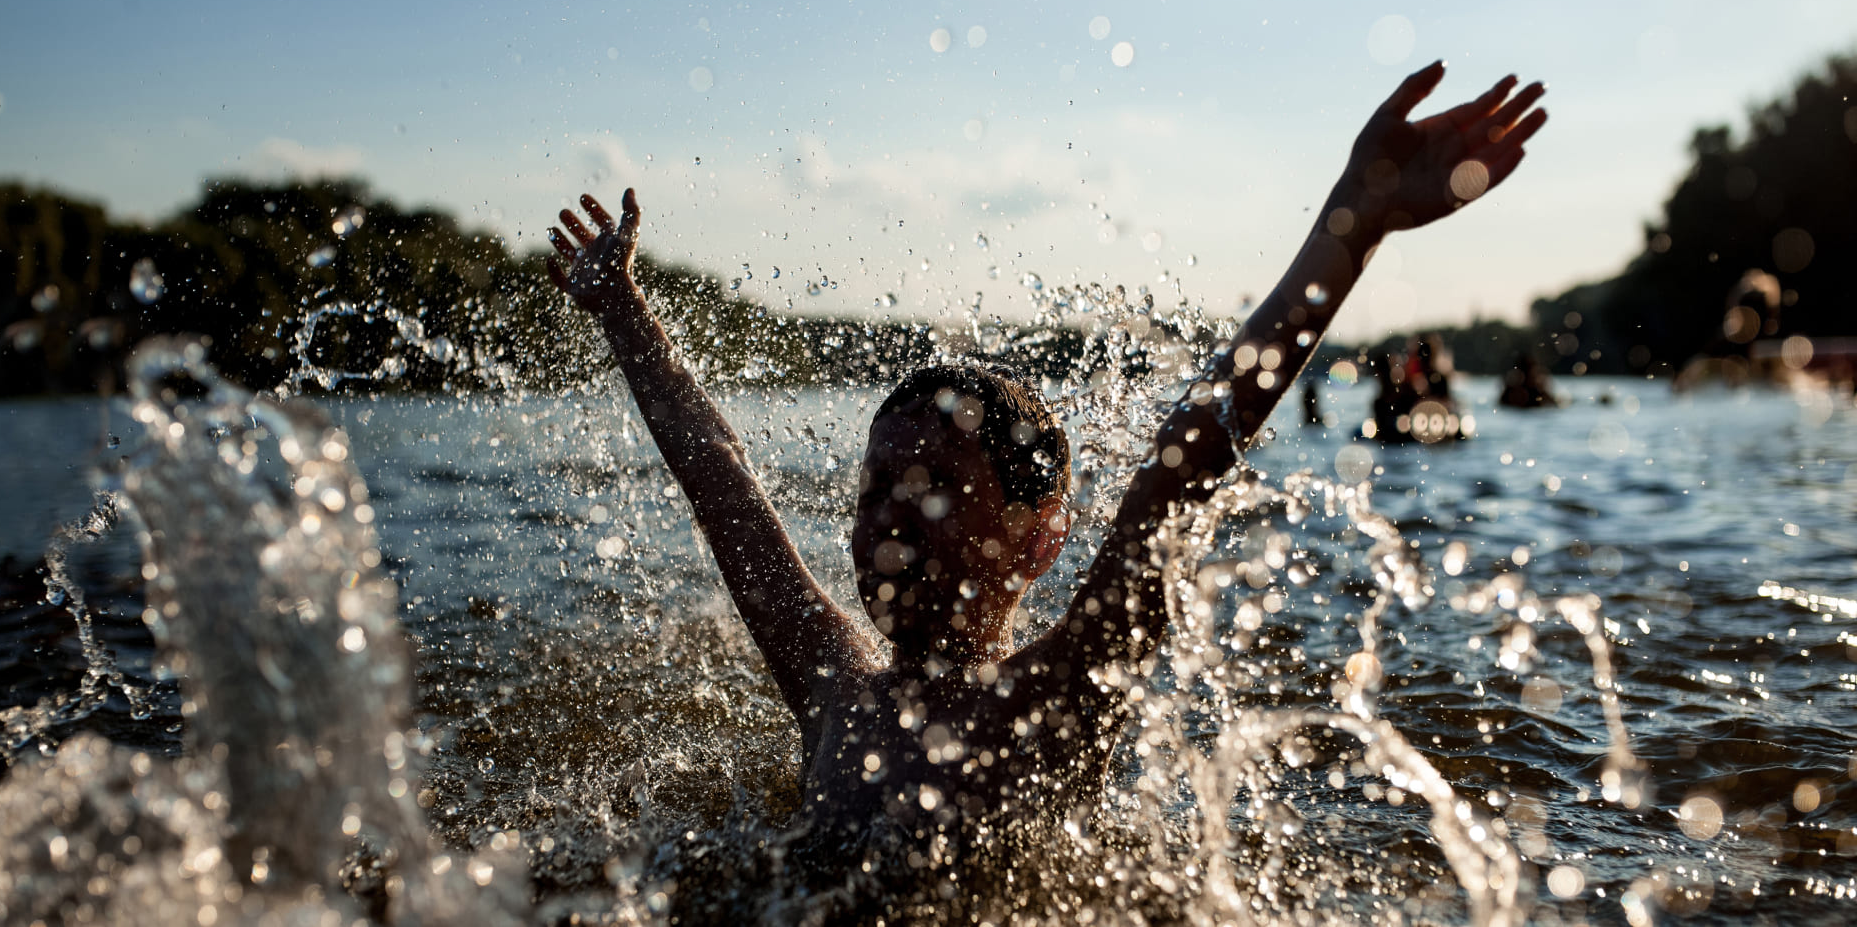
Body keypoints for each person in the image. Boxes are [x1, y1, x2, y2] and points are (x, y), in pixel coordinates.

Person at [544, 62, 1545, 895]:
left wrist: (1352, 223)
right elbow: (721, 486)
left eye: (933, 488)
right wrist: (623, 314)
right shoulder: (831, 685)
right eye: (873, 491)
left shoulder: (1054, 699)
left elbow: (1183, 465)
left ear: (1038, 537)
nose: (887, 521)